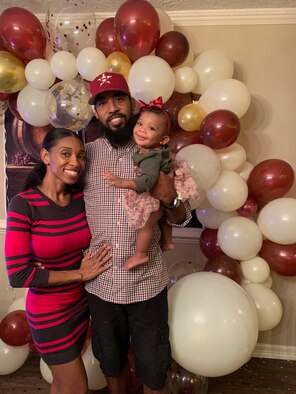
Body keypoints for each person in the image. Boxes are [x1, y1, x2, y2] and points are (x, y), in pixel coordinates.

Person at [84, 71, 192, 394]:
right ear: (96, 112)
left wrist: (167, 195)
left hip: (147, 285)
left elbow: (183, 217)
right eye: (102, 103)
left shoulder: (160, 153)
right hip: (101, 284)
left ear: (131, 104)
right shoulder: (86, 155)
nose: (112, 108)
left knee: (155, 369)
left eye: (118, 99)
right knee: (112, 363)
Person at [4, 128, 112, 394]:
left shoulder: (79, 199)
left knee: (63, 383)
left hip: (80, 306)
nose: (75, 162)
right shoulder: (23, 204)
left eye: (81, 156)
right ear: (45, 156)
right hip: (49, 314)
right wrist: (78, 274)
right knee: (76, 386)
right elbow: (18, 275)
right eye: (65, 153)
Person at [104, 97, 198, 270]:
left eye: (151, 128)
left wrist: (121, 182)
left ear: (163, 139)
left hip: (149, 282)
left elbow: (146, 182)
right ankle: (167, 240)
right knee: (159, 216)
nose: (142, 130)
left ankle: (140, 254)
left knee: (146, 223)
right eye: (140, 124)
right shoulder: (154, 151)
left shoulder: (150, 157)